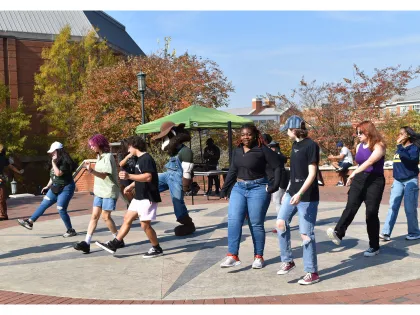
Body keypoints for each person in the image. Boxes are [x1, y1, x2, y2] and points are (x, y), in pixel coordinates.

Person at [219, 124, 283, 269]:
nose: (245, 137)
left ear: (255, 135)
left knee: (255, 223)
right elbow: (233, 170)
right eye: (243, 134)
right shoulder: (237, 151)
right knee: (234, 220)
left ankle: (258, 257)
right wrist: (225, 188)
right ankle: (232, 255)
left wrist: (275, 185)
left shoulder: (263, 150)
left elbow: (278, 166)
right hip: (239, 188)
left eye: (248, 134)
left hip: (258, 188)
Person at [96, 136, 164, 258]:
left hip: (147, 197)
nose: (128, 150)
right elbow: (140, 176)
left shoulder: (146, 159)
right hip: (139, 196)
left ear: (134, 145)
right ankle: (115, 243)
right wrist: (131, 186)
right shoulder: (139, 159)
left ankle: (156, 248)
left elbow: (148, 177)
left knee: (145, 225)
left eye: (129, 147)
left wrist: (129, 177)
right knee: (127, 218)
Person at [327, 121, 386, 257]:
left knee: (371, 213)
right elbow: (360, 163)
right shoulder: (359, 146)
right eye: (357, 132)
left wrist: (353, 173)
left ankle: (374, 246)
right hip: (360, 179)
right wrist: (356, 174)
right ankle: (338, 233)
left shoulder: (379, 146)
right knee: (351, 206)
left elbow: (370, 162)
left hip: (375, 181)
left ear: (368, 132)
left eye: (361, 132)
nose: (358, 135)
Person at [276, 115, 321, 285]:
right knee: (280, 223)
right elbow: (294, 172)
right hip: (292, 193)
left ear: (294, 129)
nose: (286, 132)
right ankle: (288, 260)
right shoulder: (294, 145)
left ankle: (312, 272)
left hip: (307, 196)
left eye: (287, 129)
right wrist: (288, 190)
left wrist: (300, 193)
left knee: (306, 235)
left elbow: (312, 174)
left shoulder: (311, 146)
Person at [74, 134, 122, 254]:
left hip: (109, 191)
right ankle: (86, 243)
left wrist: (91, 171)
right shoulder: (99, 156)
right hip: (99, 191)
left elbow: (104, 174)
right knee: (94, 216)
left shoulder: (108, 156)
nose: (91, 147)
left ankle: (118, 239)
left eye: (92, 145)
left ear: (99, 144)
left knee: (106, 216)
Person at [17, 142, 77, 237]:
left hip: (66, 188)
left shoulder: (65, 162)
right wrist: (47, 186)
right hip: (55, 187)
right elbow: (53, 176)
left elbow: (58, 174)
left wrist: (53, 162)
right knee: (44, 203)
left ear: (59, 151)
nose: (51, 154)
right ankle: (30, 222)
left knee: (61, 208)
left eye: (53, 152)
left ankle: (70, 230)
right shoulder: (55, 160)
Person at [152, 121, 196, 236]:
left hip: (177, 179)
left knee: (177, 201)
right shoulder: (174, 152)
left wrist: (185, 185)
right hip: (168, 175)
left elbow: (187, 170)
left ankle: (187, 223)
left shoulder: (185, 151)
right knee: (151, 180)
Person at [380, 126, 420, 241]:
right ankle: (386, 232)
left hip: (410, 180)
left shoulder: (413, 148)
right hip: (397, 181)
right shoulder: (400, 148)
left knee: (409, 208)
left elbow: (411, 160)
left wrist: (399, 147)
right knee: (393, 206)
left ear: (407, 135)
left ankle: (414, 232)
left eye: (401, 134)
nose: (399, 136)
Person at [267, 140, 288, 234]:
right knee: (279, 201)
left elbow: (283, 159)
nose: (269, 149)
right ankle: (282, 222)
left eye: (271, 147)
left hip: (279, 180)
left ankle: (281, 223)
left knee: (277, 201)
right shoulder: (278, 154)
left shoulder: (277, 154)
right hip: (281, 180)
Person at [0, 144, 24, 221]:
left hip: (1, 180)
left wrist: (18, 172)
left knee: (2, 198)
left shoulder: (3, 158)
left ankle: (3, 215)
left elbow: (11, 166)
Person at [117, 138, 137, 206]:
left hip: (134, 175)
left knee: (135, 192)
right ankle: (131, 206)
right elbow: (121, 164)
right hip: (125, 177)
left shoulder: (134, 153)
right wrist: (127, 157)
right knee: (127, 192)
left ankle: (135, 207)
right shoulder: (120, 154)